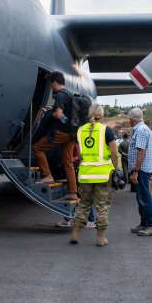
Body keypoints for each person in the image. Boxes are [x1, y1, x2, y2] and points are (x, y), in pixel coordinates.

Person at [70, 104, 120, 247]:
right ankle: (100, 238)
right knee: (102, 206)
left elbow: (80, 154)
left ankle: (75, 234)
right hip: (103, 175)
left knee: (83, 204)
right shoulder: (106, 130)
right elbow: (114, 154)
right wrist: (115, 169)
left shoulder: (80, 131)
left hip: (85, 174)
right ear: (101, 115)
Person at [32, 71, 77, 201]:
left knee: (37, 148)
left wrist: (50, 113)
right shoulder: (70, 94)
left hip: (61, 132)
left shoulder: (60, 95)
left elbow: (58, 114)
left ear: (55, 82)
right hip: (72, 134)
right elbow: (68, 115)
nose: (51, 87)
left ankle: (47, 176)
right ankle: (73, 192)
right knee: (68, 162)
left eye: (51, 84)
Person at [127, 107, 152, 236]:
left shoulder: (140, 130)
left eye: (129, 118)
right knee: (141, 197)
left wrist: (135, 171)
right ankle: (144, 223)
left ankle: (151, 225)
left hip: (141, 170)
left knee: (144, 197)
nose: (128, 121)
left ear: (132, 119)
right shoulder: (146, 129)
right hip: (145, 168)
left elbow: (141, 152)